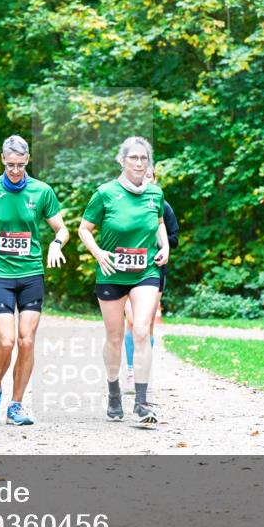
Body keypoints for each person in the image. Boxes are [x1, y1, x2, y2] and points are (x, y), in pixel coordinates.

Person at [0, 135, 68, 426]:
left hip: (31, 273)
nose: (16, 171)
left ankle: (16, 405)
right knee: (6, 342)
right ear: (2, 160)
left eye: (20, 165)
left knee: (27, 340)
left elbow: (62, 229)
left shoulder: (42, 191)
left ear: (28, 160)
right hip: (0, 274)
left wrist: (56, 243)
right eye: (10, 165)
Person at [78, 136, 168, 424]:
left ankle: (142, 403)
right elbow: (84, 229)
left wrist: (164, 246)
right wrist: (98, 253)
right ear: (122, 160)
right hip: (112, 273)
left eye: (144, 159)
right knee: (115, 337)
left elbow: (160, 223)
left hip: (145, 272)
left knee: (142, 331)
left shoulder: (156, 194)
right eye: (134, 158)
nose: (139, 163)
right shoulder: (105, 193)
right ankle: (114, 390)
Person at [124, 166, 179, 389]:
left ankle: (142, 370)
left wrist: (161, 246)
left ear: (154, 180)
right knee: (131, 321)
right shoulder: (123, 202)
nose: (144, 180)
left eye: (149, 176)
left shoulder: (162, 206)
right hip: (125, 269)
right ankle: (130, 371)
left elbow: (174, 238)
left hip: (153, 270)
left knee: (146, 325)